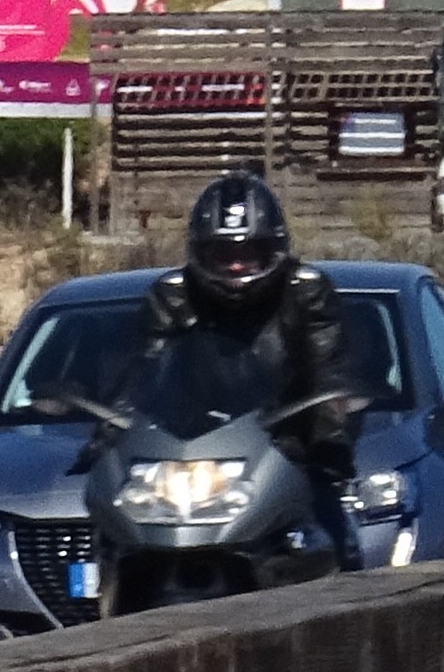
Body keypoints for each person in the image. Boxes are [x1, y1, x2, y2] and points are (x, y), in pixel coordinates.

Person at [143, 169, 366, 566]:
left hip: (285, 454)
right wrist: (110, 435)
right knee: (118, 536)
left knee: (333, 538)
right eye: (223, 255)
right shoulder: (172, 296)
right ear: (200, 252)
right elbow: (144, 375)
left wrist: (329, 445)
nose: (235, 268)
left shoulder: (306, 292)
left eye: (248, 254)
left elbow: (329, 372)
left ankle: (349, 613)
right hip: (188, 457)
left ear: (274, 250)